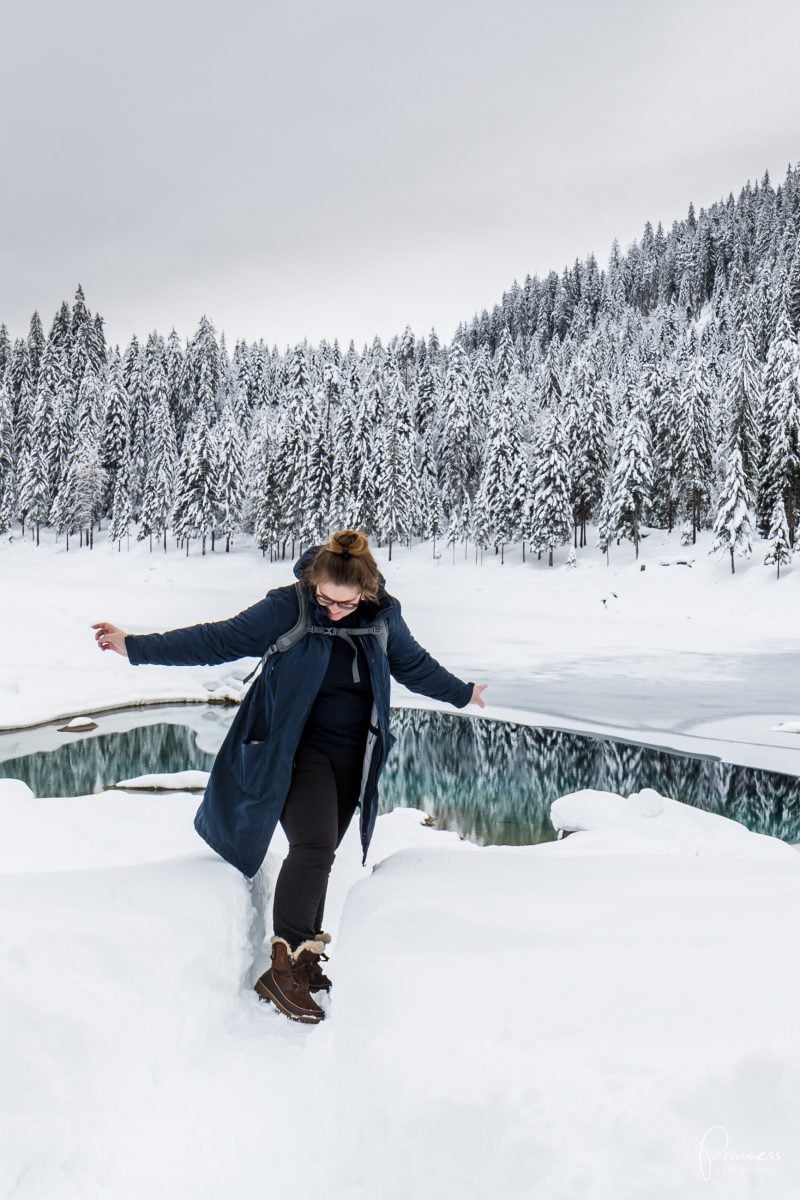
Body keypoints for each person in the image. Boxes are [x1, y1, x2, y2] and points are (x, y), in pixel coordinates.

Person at [92, 528, 487, 1025]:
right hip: (291, 748)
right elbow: (218, 639)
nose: (333, 609)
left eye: (345, 603)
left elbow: (413, 665)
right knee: (314, 845)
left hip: (352, 755)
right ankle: (282, 968)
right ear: (314, 581)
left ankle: (304, 953)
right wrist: (135, 646)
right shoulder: (290, 607)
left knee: (323, 851)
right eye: (325, 597)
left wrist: (462, 692)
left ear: (367, 591)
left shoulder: (385, 619)